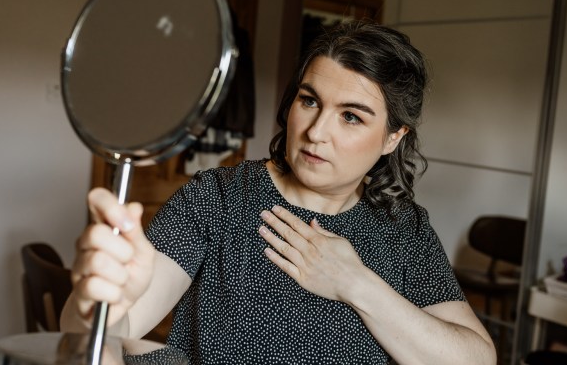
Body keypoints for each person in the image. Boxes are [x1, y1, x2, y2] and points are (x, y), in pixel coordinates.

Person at [61, 20, 497, 364]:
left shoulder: (404, 229)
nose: (316, 132)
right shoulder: (219, 198)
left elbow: (474, 359)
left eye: (351, 117)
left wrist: (355, 283)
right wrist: (96, 301)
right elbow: (91, 338)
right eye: (309, 101)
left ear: (391, 138)